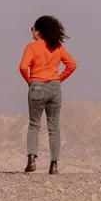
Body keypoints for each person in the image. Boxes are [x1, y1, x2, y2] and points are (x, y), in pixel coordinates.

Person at [19, 15, 76, 174]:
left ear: (38, 31)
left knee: (34, 124)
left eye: (33, 28)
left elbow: (23, 67)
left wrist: (30, 81)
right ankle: (54, 165)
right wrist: (58, 79)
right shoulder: (56, 47)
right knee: (54, 127)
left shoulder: (32, 47)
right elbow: (72, 65)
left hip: (36, 85)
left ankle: (31, 159)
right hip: (54, 87)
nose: (31, 31)